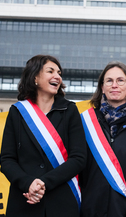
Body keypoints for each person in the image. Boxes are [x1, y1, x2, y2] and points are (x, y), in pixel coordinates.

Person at [1, 55, 86, 217]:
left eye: (59, 72)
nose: (57, 76)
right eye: (50, 71)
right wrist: (28, 183)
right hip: (24, 201)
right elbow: (7, 160)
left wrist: (44, 183)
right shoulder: (17, 112)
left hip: (62, 202)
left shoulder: (70, 110)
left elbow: (79, 158)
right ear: (35, 78)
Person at [79, 61, 126, 217]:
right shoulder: (84, 122)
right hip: (90, 209)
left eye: (120, 80)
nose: (114, 85)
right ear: (102, 87)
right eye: (109, 81)